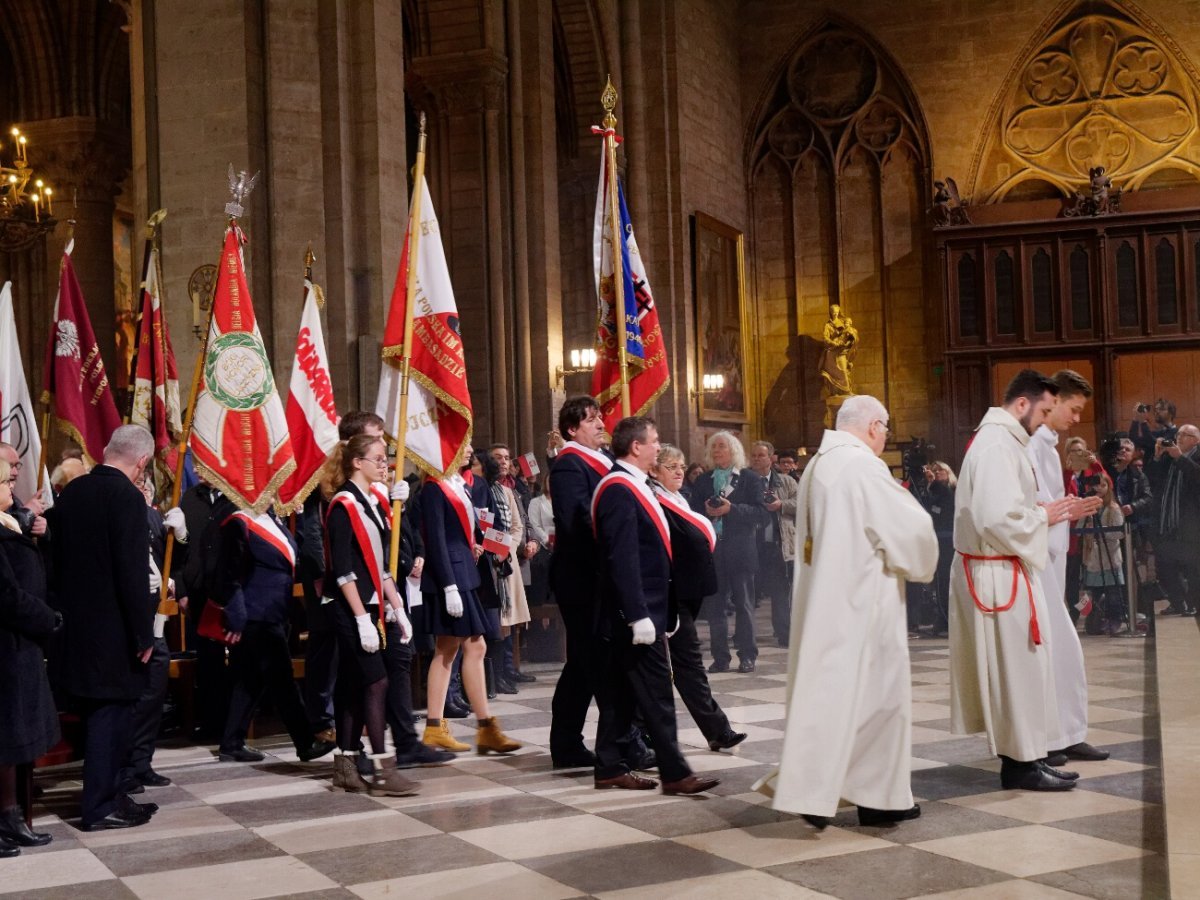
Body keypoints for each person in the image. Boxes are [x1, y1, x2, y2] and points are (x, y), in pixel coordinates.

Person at [754, 395, 937, 829]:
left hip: (829, 599)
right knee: (879, 701)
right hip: (865, 600)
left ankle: (834, 792)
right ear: (874, 426)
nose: (886, 436)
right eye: (886, 427)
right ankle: (873, 799)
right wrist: (923, 555)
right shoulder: (861, 465)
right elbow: (909, 529)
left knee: (840, 701)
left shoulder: (821, 462)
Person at [949, 370, 1086, 792]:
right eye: (1045, 409)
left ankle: (1030, 758)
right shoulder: (995, 445)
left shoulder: (1006, 441)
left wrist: (1045, 511)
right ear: (1022, 404)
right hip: (995, 573)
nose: (1046, 418)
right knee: (1015, 672)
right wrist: (1046, 515)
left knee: (1024, 670)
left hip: (1005, 569)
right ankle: (1020, 766)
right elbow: (995, 518)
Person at [592, 416, 719, 796]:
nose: (657, 447)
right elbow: (623, 557)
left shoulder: (636, 484)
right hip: (634, 613)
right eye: (654, 441)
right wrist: (637, 614)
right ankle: (676, 773)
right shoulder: (618, 488)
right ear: (636, 447)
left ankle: (609, 765)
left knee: (623, 692)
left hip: (645, 608)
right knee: (658, 692)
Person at [52, 425, 158, 830]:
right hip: (115, 630)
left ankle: (112, 795)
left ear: (106, 449)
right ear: (142, 461)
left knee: (99, 713)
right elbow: (131, 572)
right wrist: (143, 632)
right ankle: (100, 807)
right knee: (111, 716)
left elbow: (58, 563)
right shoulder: (127, 497)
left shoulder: (73, 492)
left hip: (77, 627)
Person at [323, 433, 420, 795]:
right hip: (351, 611)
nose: (385, 465)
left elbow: (381, 568)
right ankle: (382, 768)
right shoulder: (343, 505)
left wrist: (398, 608)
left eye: (386, 459)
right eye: (378, 459)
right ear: (356, 463)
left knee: (352, 687)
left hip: (373, 606)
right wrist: (362, 618)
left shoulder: (372, 504)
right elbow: (343, 571)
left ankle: (345, 767)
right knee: (376, 682)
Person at [214, 489, 337, 767]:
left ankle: (231, 743)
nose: (273, 494)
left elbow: (295, 555)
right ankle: (305, 742)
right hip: (256, 614)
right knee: (283, 680)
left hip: (276, 611)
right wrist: (236, 615)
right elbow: (229, 574)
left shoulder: (273, 520)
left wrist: (304, 520)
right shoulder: (239, 522)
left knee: (250, 680)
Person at [1024, 369, 1108, 763]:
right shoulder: (1027, 444)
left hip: (1052, 557)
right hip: (1037, 560)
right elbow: (1028, 504)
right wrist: (1061, 511)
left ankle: (1068, 732)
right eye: (1073, 409)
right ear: (1053, 400)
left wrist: (1068, 509)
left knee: (1065, 650)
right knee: (1049, 649)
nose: (1077, 419)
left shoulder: (1048, 443)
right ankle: (1049, 738)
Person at [419, 442, 521, 756]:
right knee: (447, 650)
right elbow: (435, 539)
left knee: (474, 645)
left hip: (466, 572)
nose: (470, 450)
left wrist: (478, 541)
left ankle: (485, 726)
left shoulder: (457, 485)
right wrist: (449, 586)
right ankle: (436, 727)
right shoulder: (435, 489)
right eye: (462, 445)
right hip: (451, 576)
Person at [299, 411, 387, 746]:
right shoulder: (330, 487)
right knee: (328, 658)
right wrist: (328, 578)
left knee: (353, 672)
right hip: (333, 587)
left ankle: (352, 743)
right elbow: (314, 536)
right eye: (374, 438)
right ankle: (322, 721)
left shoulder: (369, 484)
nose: (382, 446)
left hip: (360, 588)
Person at [651, 445, 745, 753]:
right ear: (654, 470)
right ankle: (647, 736)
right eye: (670, 466)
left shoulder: (681, 498)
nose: (679, 471)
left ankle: (718, 730)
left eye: (681, 465)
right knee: (665, 669)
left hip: (685, 593)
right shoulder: (654, 501)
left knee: (688, 664)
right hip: (667, 595)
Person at [0, 458, 60, 854]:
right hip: (7, 645)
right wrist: (48, 619)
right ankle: (7, 818)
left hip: (18, 646)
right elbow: (6, 595)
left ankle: (10, 815)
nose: (12, 486)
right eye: (6, 481)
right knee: (6, 738)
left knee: (12, 741)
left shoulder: (9, 522)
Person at [548, 396, 611, 767]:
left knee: (584, 665)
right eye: (591, 419)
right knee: (593, 662)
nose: (601, 423)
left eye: (600, 416)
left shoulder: (601, 462)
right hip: (581, 577)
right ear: (572, 429)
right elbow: (577, 521)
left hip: (598, 576)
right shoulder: (569, 465)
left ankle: (567, 744)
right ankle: (617, 741)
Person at [118, 471, 188, 795]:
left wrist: (181, 537)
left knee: (155, 690)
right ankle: (125, 767)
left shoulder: (151, 515)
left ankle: (143, 763)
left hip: (156, 613)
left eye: (145, 486)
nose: (143, 491)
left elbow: (173, 560)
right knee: (134, 694)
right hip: (129, 614)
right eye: (138, 485)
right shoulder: (117, 514)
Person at [690, 432, 767, 672]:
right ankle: (720, 657)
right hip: (713, 551)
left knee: (744, 604)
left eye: (721, 446)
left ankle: (747, 655)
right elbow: (691, 515)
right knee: (715, 607)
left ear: (733, 450)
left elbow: (762, 515)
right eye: (713, 447)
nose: (716, 450)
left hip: (740, 550)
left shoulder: (749, 479)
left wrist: (731, 510)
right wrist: (704, 513)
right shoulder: (703, 481)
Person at [749, 440, 797, 647]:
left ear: (771, 458)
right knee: (749, 592)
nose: (758, 459)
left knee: (780, 591)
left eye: (762, 455)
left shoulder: (786, 482)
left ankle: (784, 631)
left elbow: (801, 502)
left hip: (777, 542)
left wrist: (781, 505)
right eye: (754, 456)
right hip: (752, 542)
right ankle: (745, 634)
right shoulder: (744, 480)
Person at [1153, 424, 1200, 618]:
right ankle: (1178, 602)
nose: (1178, 437)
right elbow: (1153, 481)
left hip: (1191, 525)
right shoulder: (1169, 458)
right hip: (1169, 523)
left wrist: (1179, 457)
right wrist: (1157, 456)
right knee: (1164, 566)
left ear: (1195, 440)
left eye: (1184, 435)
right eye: (1177, 434)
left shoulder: (1194, 457)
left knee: (1193, 568)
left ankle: (1194, 604)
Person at [1081, 473, 1127, 635]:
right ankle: (1094, 620)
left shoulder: (1113, 508)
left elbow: (1119, 533)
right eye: (1096, 485)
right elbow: (1080, 529)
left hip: (1110, 557)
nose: (1099, 488)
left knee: (1113, 593)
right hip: (1093, 559)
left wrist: (1101, 532)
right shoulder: (1089, 508)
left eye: (1103, 485)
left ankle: (1116, 620)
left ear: (1109, 488)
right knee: (1094, 593)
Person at [926, 461, 957, 637]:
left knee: (947, 580)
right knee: (938, 582)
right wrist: (930, 485)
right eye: (934, 471)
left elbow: (947, 504)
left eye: (940, 471)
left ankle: (947, 619)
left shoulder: (951, 490)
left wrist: (934, 484)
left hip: (949, 541)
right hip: (935, 539)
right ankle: (940, 617)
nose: (937, 473)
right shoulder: (933, 491)